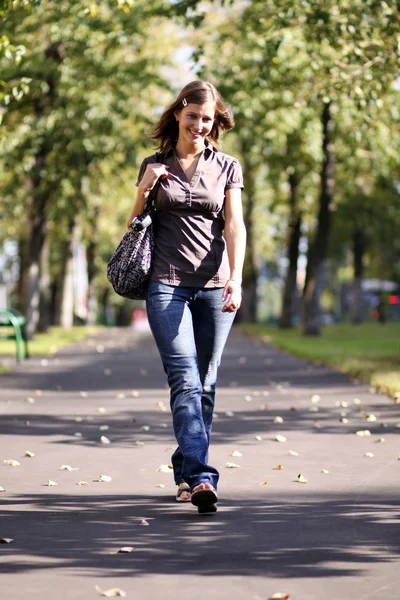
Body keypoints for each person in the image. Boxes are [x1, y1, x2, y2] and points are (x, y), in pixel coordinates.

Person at [126, 80, 246, 514]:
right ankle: (201, 478)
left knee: (206, 384)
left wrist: (237, 277)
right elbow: (132, 225)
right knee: (186, 380)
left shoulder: (227, 165)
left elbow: (234, 225)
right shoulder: (155, 163)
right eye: (192, 115)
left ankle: (184, 471)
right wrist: (144, 187)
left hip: (216, 285)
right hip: (166, 284)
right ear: (178, 113)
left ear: (215, 123)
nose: (199, 125)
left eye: (207, 119)